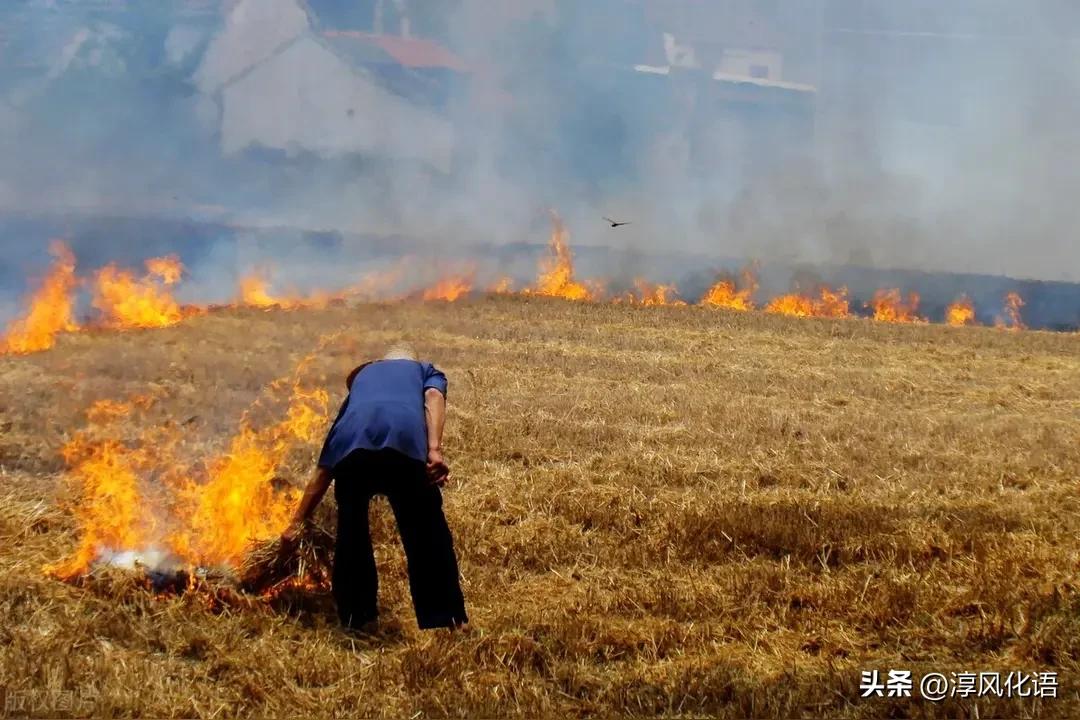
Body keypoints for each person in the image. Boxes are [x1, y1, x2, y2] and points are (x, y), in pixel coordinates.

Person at [281, 343, 467, 631]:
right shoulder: (423, 370)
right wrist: (434, 450)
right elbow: (433, 395)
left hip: (352, 453)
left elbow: (325, 468)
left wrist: (296, 522)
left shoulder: (361, 387)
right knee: (426, 533)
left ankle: (357, 619)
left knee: (351, 534)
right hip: (404, 445)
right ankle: (444, 618)